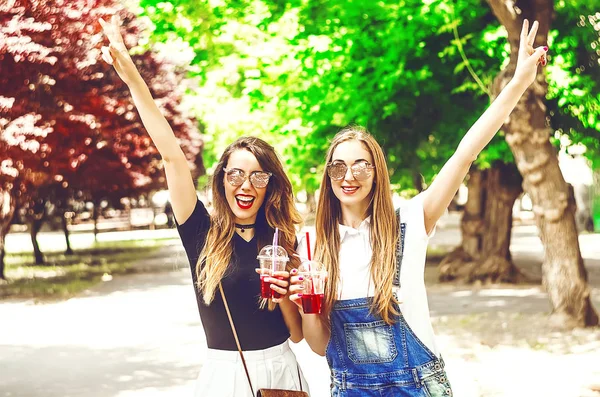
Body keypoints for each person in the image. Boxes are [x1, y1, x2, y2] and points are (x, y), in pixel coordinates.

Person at [289, 19, 548, 397]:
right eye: (338, 166)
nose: (349, 175)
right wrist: (308, 305)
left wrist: (518, 83)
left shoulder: (409, 220)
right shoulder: (313, 246)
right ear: (328, 176)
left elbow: (466, 153)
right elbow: (318, 344)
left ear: (377, 173)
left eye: (360, 165)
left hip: (418, 388)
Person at [98, 15, 308, 397]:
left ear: (270, 185)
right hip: (225, 376)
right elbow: (171, 155)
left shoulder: (280, 238)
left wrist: (286, 299)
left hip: (282, 373)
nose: (245, 185)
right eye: (235, 175)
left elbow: (295, 333)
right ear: (222, 179)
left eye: (258, 177)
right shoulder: (201, 231)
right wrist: (132, 78)